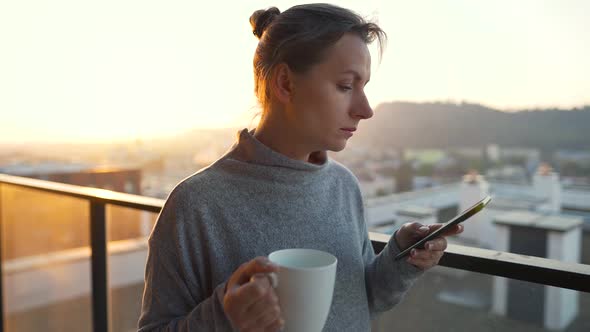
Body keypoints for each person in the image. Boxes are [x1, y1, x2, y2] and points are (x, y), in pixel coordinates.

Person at [138, 3, 462, 331]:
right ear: (285, 84)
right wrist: (223, 319)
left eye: (364, 87)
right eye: (346, 86)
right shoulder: (195, 205)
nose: (365, 109)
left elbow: (360, 301)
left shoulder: (343, 185)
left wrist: (401, 258)